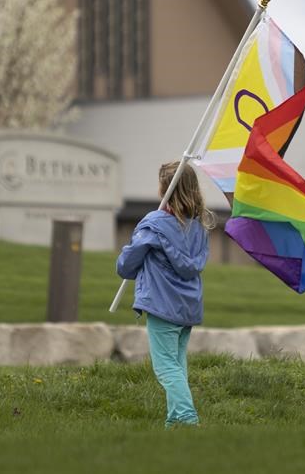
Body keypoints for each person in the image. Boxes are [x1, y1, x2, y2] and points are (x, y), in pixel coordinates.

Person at [116, 161, 215, 428]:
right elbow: (192, 265)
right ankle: (175, 422)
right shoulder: (200, 227)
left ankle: (186, 417)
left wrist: (132, 250)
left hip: (162, 305)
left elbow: (125, 266)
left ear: (164, 188)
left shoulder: (154, 225)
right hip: (187, 308)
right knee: (177, 364)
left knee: (166, 367)